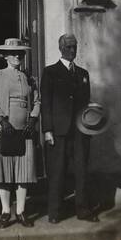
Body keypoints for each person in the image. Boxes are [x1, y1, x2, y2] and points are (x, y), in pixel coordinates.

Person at [41, 33, 99, 224]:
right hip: (58, 131)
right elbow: (46, 103)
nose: (72, 50)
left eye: (74, 46)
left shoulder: (83, 74)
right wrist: (47, 130)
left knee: (82, 171)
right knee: (57, 172)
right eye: (68, 47)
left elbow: (86, 103)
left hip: (80, 131)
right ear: (60, 48)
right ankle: (55, 213)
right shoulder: (50, 72)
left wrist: (90, 124)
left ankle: (83, 210)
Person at [0, 38, 40, 228]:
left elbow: (37, 101)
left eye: (20, 53)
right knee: (3, 169)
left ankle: (21, 211)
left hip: (24, 130)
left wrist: (33, 119)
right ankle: (6, 211)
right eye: (13, 53)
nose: (17, 56)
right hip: (3, 129)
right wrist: (2, 119)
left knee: (24, 170)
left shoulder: (29, 78)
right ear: (5, 56)